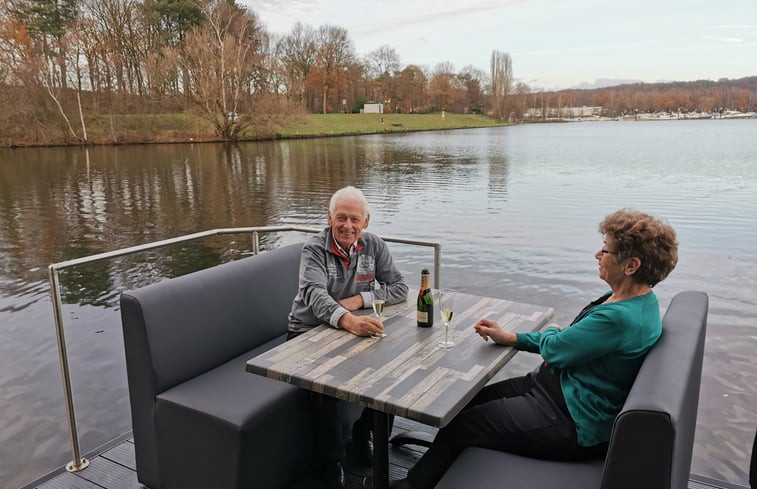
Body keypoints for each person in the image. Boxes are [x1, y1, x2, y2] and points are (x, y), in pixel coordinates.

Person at [390, 209, 678, 489]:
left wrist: (553, 330)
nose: (597, 255)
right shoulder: (632, 299)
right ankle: (438, 471)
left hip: (572, 420)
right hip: (554, 390)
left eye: (606, 250)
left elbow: (555, 347)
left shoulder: (619, 318)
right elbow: (570, 342)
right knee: (463, 404)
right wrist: (513, 337)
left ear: (631, 266)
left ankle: (413, 484)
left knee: (465, 425)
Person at [288, 185, 408, 488]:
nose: (348, 226)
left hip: (350, 328)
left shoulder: (374, 245)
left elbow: (399, 288)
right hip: (308, 332)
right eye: (341, 217)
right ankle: (330, 462)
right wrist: (349, 320)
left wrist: (359, 300)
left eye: (355, 219)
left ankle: (363, 436)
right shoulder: (313, 249)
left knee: (387, 370)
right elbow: (314, 294)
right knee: (325, 390)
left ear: (366, 222)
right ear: (329, 218)